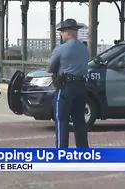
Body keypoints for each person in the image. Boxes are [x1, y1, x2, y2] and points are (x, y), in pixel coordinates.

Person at [47, 18, 89, 148]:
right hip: (81, 87)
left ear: (69, 32)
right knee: (79, 121)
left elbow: (49, 68)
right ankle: (83, 152)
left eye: (62, 32)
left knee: (62, 120)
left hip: (66, 87)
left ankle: (62, 152)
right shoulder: (84, 48)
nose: (61, 34)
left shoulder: (61, 49)